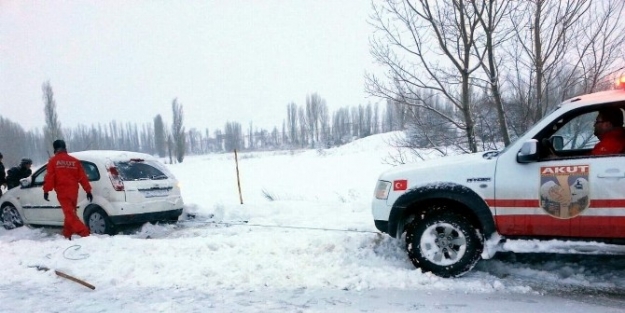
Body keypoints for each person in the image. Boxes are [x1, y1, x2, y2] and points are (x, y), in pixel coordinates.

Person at [43, 139, 93, 239]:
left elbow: (50, 177)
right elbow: (82, 177)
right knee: (70, 212)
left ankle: (85, 233)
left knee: (69, 214)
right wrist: (88, 190)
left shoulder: (53, 161)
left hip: (62, 191)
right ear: (65, 148)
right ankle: (67, 234)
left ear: (55, 148)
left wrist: (46, 190)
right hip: (74, 191)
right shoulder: (74, 161)